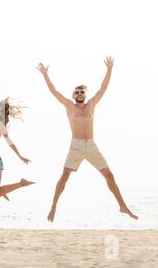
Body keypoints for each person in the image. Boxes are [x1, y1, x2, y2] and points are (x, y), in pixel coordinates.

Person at [36, 57, 138, 222]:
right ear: (73, 95)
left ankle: (122, 206)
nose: (79, 94)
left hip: (91, 146)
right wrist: (45, 74)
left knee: (109, 176)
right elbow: (54, 92)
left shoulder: (91, 105)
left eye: (82, 92)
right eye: (76, 92)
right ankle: (53, 207)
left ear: (85, 94)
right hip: (75, 146)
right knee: (64, 177)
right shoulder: (69, 106)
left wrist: (109, 69)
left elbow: (102, 89)